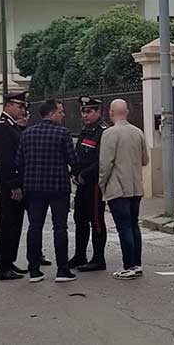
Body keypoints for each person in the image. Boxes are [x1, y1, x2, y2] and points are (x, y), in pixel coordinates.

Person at [17, 99, 79, 283]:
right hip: (58, 187)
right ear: (51, 114)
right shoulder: (63, 133)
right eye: (60, 112)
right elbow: (73, 160)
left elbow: (19, 161)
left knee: (34, 227)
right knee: (60, 227)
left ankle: (34, 270)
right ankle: (62, 270)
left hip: (34, 187)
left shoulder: (27, 133)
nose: (63, 115)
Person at [99, 99, 148, 280]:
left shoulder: (109, 134)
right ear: (127, 112)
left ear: (111, 113)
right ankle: (137, 264)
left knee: (124, 227)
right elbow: (145, 160)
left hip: (117, 187)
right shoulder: (138, 132)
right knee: (134, 225)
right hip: (135, 187)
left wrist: (102, 184)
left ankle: (129, 266)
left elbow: (105, 164)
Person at [0, 92, 30, 281]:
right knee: (8, 226)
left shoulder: (12, 126)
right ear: (8, 105)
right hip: (10, 185)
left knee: (15, 226)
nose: (22, 110)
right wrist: (14, 185)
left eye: (23, 106)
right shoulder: (2, 127)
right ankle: (3, 266)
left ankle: (9, 261)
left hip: (17, 183)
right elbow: (6, 159)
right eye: (19, 106)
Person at [69, 96, 109, 272]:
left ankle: (98, 258)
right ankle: (80, 255)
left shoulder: (103, 132)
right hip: (81, 184)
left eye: (89, 111)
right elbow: (78, 155)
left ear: (99, 112)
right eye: (83, 111)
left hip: (94, 185)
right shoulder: (86, 130)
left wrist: (84, 174)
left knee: (96, 221)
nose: (85, 115)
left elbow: (102, 160)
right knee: (80, 219)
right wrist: (74, 172)